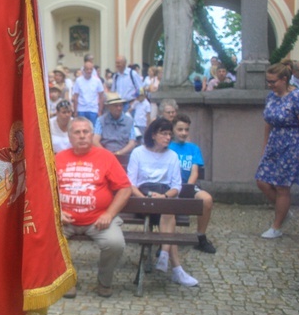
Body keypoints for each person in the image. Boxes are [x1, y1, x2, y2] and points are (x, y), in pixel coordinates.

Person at [56, 117, 132, 298]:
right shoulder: (58, 158)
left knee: (115, 244)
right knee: (47, 240)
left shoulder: (106, 157)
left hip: (98, 219)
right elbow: (46, 189)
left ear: (92, 134)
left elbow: (125, 188)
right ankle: (67, 280)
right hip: (65, 219)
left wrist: (109, 213)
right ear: (69, 137)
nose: (82, 136)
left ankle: (104, 281)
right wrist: (56, 211)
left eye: (86, 132)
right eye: (77, 132)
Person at [127, 118, 199, 287]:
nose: (168, 138)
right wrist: (143, 199)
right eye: (164, 134)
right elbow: (130, 183)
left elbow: (176, 186)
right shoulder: (138, 152)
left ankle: (165, 254)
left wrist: (165, 197)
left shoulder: (172, 156)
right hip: (142, 197)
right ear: (153, 135)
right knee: (169, 213)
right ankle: (175, 267)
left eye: (169, 134)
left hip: (164, 197)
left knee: (167, 209)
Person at [256, 61, 299, 239]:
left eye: (273, 81)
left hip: (291, 143)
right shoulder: (271, 97)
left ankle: (277, 225)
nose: (270, 85)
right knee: (262, 180)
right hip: (275, 142)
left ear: (284, 79)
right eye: (268, 81)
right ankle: (284, 210)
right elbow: (267, 123)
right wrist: (265, 146)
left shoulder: (297, 97)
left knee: (282, 187)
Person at [169, 114, 216, 253]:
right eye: (180, 129)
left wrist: (187, 188)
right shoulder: (168, 147)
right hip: (170, 187)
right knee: (165, 202)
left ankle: (201, 237)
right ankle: (164, 240)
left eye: (186, 130)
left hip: (187, 186)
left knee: (207, 200)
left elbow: (194, 171)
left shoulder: (193, 148)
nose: (183, 133)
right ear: (173, 130)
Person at [93, 92, 137, 159]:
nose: (119, 108)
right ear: (108, 107)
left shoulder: (130, 121)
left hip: (123, 155)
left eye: (120, 105)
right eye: (115, 106)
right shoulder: (100, 120)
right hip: (104, 155)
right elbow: (95, 141)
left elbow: (132, 143)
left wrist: (119, 153)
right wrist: (107, 154)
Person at [72, 60, 105, 125]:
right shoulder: (78, 81)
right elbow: (75, 96)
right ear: (83, 70)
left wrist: (100, 110)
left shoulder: (97, 81)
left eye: (91, 69)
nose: (89, 71)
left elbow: (101, 96)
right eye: (87, 69)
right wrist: (75, 111)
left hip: (93, 109)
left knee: (93, 128)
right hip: (81, 109)